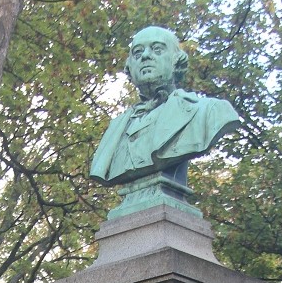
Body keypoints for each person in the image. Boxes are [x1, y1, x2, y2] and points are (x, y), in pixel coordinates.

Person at [90, 26, 239, 188]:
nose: (145, 56)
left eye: (157, 49)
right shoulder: (115, 129)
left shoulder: (210, 111)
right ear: (129, 67)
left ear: (177, 60)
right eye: (138, 53)